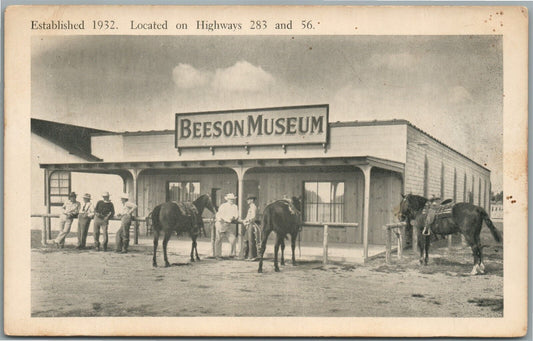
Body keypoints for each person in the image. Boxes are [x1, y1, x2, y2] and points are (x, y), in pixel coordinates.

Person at [214, 193, 239, 258]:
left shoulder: (235, 206)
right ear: (227, 199)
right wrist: (220, 219)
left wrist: (234, 217)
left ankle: (232, 254)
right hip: (221, 223)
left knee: (233, 239)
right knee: (219, 239)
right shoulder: (223, 206)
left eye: (232, 199)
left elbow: (236, 215)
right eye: (230, 199)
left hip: (228, 225)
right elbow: (218, 214)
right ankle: (218, 255)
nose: (231, 200)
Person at [242, 194, 260, 260]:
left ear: (252, 200)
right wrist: (245, 220)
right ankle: (247, 255)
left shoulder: (253, 207)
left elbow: (253, 217)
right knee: (246, 240)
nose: (247, 201)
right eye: (247, 199)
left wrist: (247, 221)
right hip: (249, 224)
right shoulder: (250, 207)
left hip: (251, 224)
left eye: (249, 199)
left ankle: (252, 256)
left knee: (251, 240)